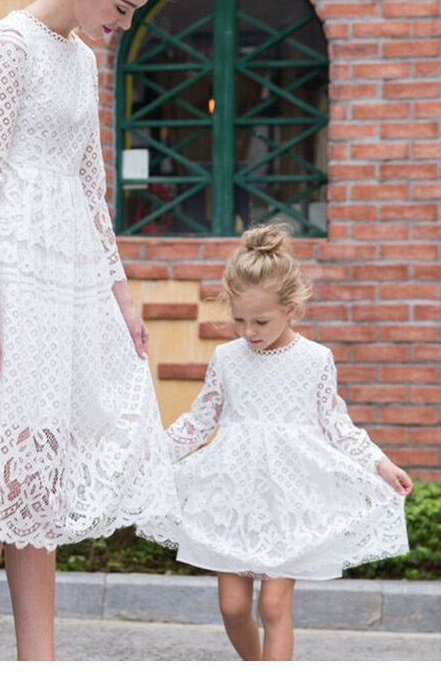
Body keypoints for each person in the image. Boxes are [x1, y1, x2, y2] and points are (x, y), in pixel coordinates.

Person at [0, 0, 178, 661]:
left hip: (71, 274)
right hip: (8, 273)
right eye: (120, 7)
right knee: (0, 474)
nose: (124, 24)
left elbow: (90, 187)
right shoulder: (7, 45)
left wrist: (121, 296)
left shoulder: (82, 62)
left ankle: (40, 666)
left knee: (37, 484)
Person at [142, 223, 412, 661]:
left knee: (272, 605)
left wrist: (379, 463)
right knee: (232, 608)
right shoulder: (227, 358)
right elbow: (198, 420)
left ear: (291, 308)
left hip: (291, 499)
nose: (249, 331)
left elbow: (337, 425)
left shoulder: (315, 360)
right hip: (232, 495)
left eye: (261, 321)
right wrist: (152, 455)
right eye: (240, 320)